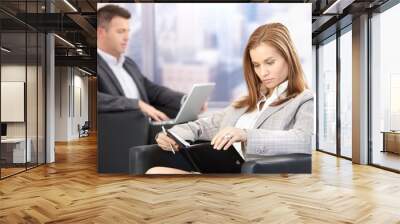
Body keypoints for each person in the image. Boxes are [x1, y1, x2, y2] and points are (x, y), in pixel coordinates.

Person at [146, 22, 314, 174]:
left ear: (289, 59)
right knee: (155, 172)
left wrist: (245, 134)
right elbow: (208, 124)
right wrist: (172, 134)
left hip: (255, 177)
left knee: (157, 176)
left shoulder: (304, 99)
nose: (263, 72)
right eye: (256, 65)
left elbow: (304, 140)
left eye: (270, 62)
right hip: (220, 170)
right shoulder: (247, 101)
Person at [97, 5, 185, 121]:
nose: (127, 37)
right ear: (101, 33)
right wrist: (136, 104)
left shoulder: (128, 64)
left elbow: (154, 91)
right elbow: (91, 98)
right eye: (121, 31)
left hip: (144, 129)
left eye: (128, 31)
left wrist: (185, 100)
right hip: (119, 133)